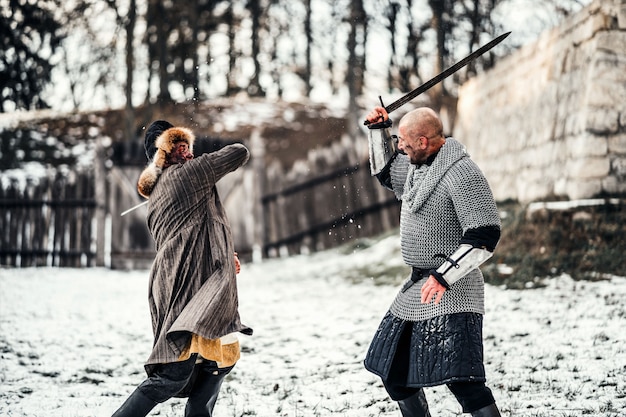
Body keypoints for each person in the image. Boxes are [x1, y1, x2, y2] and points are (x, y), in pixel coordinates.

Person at [363, 106, 502, 417]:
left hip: (454, 290)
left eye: (404, 141)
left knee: (463, 381)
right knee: (394, 375)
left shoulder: (462, 172)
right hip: (418, 288)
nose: (400, 146)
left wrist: (443, 276)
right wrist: (379, 130)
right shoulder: (417, 166)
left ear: (423, 141)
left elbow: (485, 233)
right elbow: (386, 170)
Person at [111, 120, 253, 417]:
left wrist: (226, 254)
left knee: (217, 361)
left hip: (184, 279)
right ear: (163, 153)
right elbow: (239, 152)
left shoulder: (159, 192)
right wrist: (200, 161)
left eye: (189, 147)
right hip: (185, 284)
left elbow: (193, 231)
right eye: (181, 147)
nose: (188, 153)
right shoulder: (188, 174)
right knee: (174, 372)